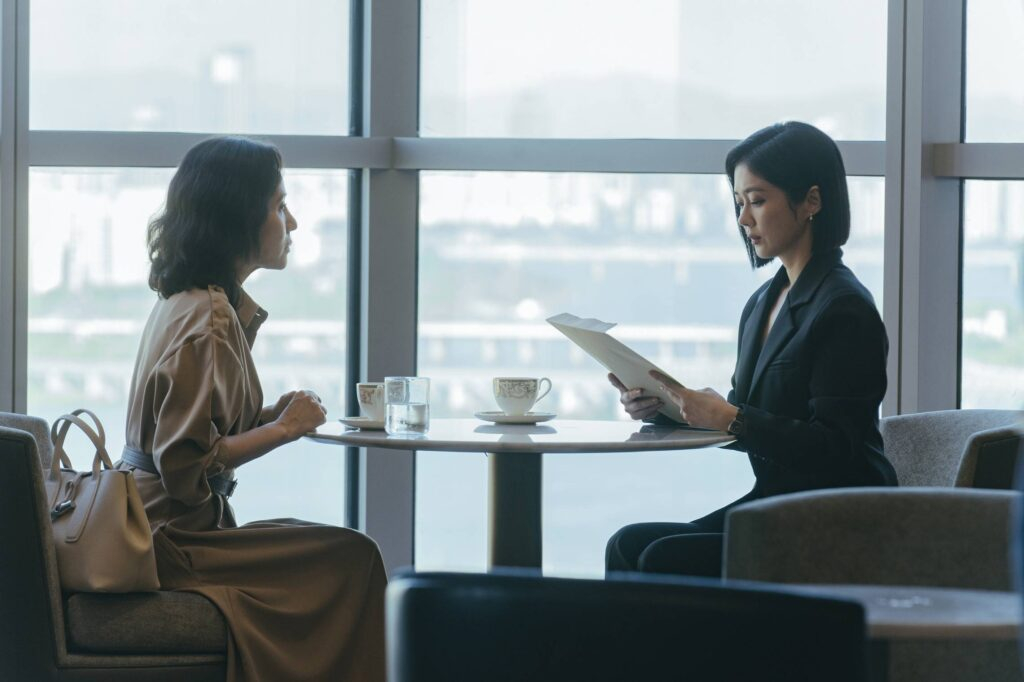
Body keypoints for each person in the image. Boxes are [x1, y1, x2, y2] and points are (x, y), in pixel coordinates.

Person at [118, 136, 386, 681]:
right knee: (353, 559)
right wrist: (286, 429)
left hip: (150, 527)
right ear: (242, 217)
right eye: (280, 205)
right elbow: (186, 466)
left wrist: (265, 419)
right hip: (172, 542)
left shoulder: (186, 301)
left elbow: (189, 432)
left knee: (341, 552)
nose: (293, 222)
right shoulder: (210, 317)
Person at [605, 121, 898, 578]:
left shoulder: (844, 309)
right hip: (773, 508)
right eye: (739, 203)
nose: (744, 220)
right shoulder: (764, 302)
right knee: (627, 545)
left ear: (811, 202)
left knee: (660, 559)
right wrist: (667, 409)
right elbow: (751, 421)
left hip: (835, 518)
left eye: (758, 201)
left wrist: (730, 417)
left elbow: (836, 449)